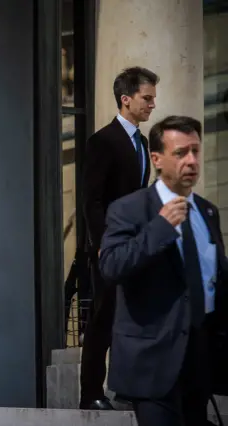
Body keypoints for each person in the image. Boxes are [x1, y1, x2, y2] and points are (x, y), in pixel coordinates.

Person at [99, 115, 227, 425]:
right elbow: (111, 266)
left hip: (199, 360)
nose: (192, 160)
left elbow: (214, 283)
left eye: (196, 151)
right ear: (157, 159)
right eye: (181, 153)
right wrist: (160, 228)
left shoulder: (208, 211)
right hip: (153, 362)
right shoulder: (130, 208)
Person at [79, 66, 159, 410]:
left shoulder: (142, 142)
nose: (153, 104)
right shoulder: (102, 141)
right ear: (126, 100)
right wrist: (103, 244)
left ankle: (127, 388)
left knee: (133, 318)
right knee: (104, 318)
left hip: (136, 247)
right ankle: (91, 393)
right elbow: (91, 200)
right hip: (109, 248)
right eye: (147, 98)